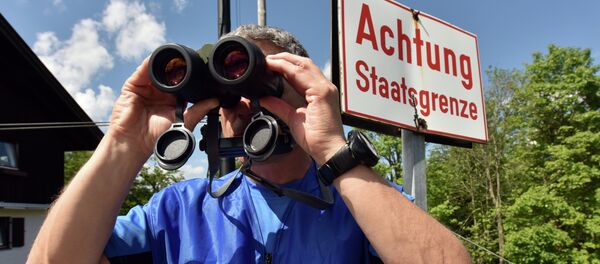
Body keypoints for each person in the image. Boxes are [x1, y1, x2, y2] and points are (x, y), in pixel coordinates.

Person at [28, 25, 471, 263]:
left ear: (302, 92)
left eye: (257, 82)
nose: (239, 104)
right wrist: (124, 143)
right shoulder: (178, 211)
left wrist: (336, 151)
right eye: (224, 90)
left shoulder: (358, 202)